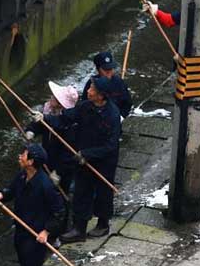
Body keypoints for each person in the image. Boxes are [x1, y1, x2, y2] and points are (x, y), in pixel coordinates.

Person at [42, 76, 121, 242]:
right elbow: (66, 118)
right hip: (82, 158)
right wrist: (46, 119)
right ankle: (79, 228)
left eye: (92, 89)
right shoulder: (85, 106)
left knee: (103, 193)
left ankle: (103, 224)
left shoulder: (112, 115)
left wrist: (88, 154)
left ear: (101, 96)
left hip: (103, 161)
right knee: (81, 192)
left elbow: (111, 145)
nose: (88, 91)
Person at [142, 1, 200, 155]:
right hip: (187, 67)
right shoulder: (188, 15)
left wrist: (183, 60)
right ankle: (188, 133)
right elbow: (169, 20)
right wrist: (154, 11)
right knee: (186, 100)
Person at [26, 81, 79, 195]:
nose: (51, 97)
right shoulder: (49, 110)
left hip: (62, 163)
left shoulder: (71, 125)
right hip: (48, 153)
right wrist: (31, 130)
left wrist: (58, 172)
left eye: (54, 97)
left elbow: (69, 154)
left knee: (59, 191)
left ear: (60, 103)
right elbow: (40, 124)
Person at [81, 51, 133, 117]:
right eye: (105, 69)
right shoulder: (91, 83)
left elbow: (127, 103)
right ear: (98, 69)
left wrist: (121, 116)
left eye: (111, 68)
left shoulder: (119, 83)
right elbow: (84, 103)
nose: (109, 72)